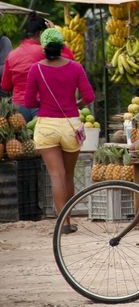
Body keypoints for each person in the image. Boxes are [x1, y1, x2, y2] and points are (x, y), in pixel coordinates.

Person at [24, 28, 94, 233]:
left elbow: (28, 102)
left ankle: (62, 223)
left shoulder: (36, 69)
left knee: (56, 175)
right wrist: (75, 104)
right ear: (63, 46)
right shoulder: (75, 67)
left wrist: (45, 103)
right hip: (70, 123)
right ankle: (69, 219)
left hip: (46, 125)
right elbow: (89, 96)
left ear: (43, 48)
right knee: (68, 175)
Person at [2, 14, 74, 120]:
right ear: (40, 33)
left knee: (21, 136)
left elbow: (6, 86)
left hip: (18, 108)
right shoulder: (45, 51)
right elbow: (70, 61)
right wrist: (54, 36)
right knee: (43, 136)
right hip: (42, 105)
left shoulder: (12, 55)